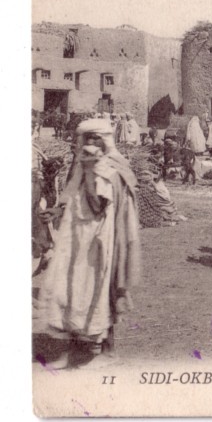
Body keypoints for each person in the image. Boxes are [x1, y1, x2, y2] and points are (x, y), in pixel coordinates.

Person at [36, 118, 141, 368]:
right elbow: (73, 192)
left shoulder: (112, 167)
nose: (90, 143)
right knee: (69, 290)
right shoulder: (84, 163)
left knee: (101, 290)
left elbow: (99, 205)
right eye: (87, 138)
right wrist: (57, 210)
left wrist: (94, 168)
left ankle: (107, 351)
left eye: (96, 138)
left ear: (105, 140)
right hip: (76, 238)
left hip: (100, 240)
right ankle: (70, 352)